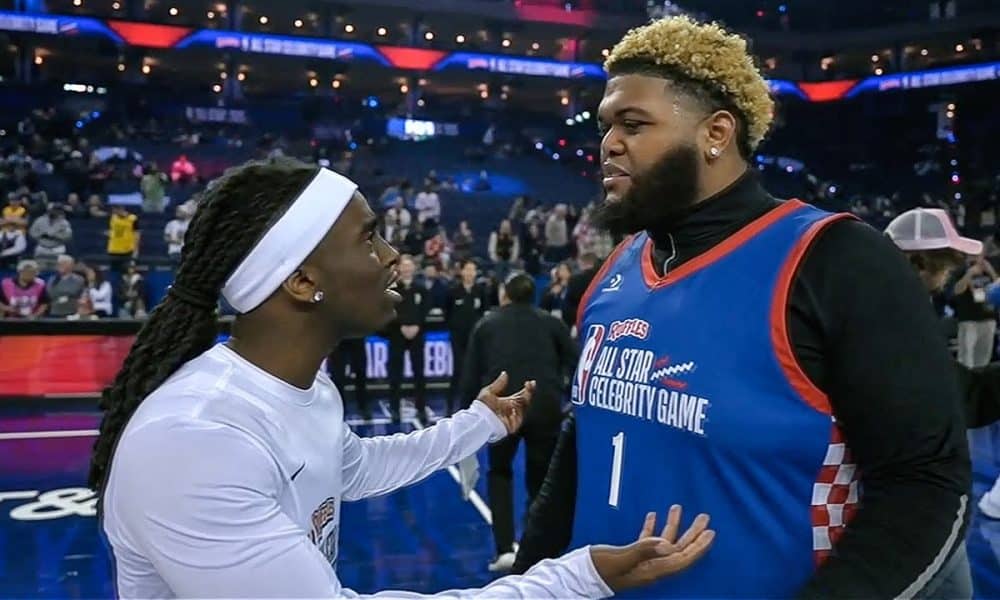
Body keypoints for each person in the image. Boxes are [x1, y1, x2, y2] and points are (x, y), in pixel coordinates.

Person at [89, 158, 714, 598]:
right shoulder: (197, 441)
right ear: (302, 281)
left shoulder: (307, 390)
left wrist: (477, 424)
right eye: (369, 240)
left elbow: (357, 468)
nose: (393, 256)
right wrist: (575, 578)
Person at [513, 15, 970, 599]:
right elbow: (579, 452)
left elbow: (925, 483)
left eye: (633, 123)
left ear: (716, 133)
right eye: (606, 126)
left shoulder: (834, 259)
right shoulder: (613, 271)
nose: (609, 144)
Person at [885, 208, 1000, 522]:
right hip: (902, 491)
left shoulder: (887, 302)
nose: (948, 274)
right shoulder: (889, 317)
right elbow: (959, 396)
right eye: (945, 264)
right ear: (918, 262)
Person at [461, 272, 578, 573]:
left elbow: (470, 376)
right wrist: (564, 394)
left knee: (499, 473)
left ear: (505, 294)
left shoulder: (486, 324)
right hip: (544, 406)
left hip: (502, 409)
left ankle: (504, 550)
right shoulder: (551, 323)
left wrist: (463, 427)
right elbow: (577, 361)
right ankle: (538, 550)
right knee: (542, 481)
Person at [386, 254, 429, 423]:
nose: (406, 269)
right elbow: (388, 310)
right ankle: (395, 408)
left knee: (419, 373)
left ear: (414, 268)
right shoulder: (392, 289)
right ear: (399, 268)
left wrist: (417, 325)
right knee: (395, 373)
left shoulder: (421, 289)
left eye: (409, 266)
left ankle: (421, 408)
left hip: (417, 334)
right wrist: (401, 325)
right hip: (397, 334)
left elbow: (426, 309)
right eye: (404, 266)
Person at [445, 258, 490, 415]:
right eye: (468, 269)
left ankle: (475, 406)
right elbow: (447, 312)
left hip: (475, 339)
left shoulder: (481, 291)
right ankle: (450, 406)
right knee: (458, 370)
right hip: (458, 338)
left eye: (473, 270)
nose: (470, 273)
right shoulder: (453, 291)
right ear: (462, 271)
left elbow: (485, 313)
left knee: (475, 372)